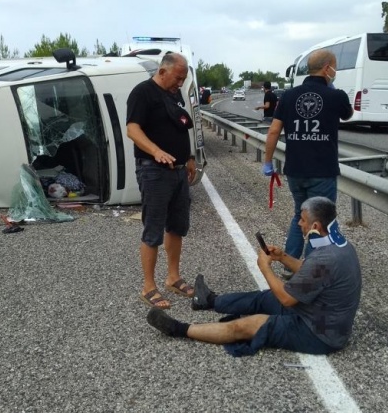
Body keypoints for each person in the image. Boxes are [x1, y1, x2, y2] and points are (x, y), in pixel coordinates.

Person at [146, 196, 362, 357]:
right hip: (318, 314)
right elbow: (311, 271)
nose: (299, 224)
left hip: (320, 334)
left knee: (248, 326)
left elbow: (287, 299)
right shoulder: (338, 245)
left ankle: (179, 329)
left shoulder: (326, 258)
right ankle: (209, 301)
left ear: (315, 226)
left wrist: (264, 267)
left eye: (303, 220)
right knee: (263, 298)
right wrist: (282, 257)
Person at [261, 49, 353, 263]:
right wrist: (334, 91)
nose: (335, 71)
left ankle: (290, 261)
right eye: (335, 67)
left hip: (295, 170)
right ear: (327, 68)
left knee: (299, 215)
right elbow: (347, 115)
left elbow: (273, 131)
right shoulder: (336, 96)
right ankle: (312, 269)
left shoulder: (289, 96)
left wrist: (268, 162)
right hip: (322, 170)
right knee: (321, 221)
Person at [126, 53, 197, 310]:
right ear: (163, 71)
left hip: (178, 171)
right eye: (178, 77)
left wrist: (188, 157)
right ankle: (148, 287)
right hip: (154, 171)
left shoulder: (174, 93)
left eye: (183, 78)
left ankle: (173, 277)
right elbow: (132, 129)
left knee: (177, 226)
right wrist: (155, 151)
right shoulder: (142, 93)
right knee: (153, 228)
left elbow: (180, 127)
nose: (180, 82)